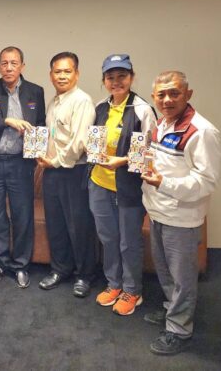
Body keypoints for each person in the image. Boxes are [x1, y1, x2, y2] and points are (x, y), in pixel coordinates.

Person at [142, 71, 221, 355]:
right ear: (154, 97)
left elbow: (206, 182)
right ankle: (171, 310)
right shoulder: (162, 124)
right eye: (161, 94)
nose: (167, 100)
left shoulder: (201, 131)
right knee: (165, 270)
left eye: (174, 93)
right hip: (158, 212)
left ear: (188, 94)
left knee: (183, 277)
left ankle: (179, 329)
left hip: (182, 218)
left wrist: (163, 183)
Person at [86, 54, 156, 315]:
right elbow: (93, 143)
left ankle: (132, 290)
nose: (116, 82)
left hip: (128, 187)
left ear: (132, 77)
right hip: (99, 184)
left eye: (122, 76)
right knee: (108, 237)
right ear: (104, 80)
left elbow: (148, 153)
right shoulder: (100, 108)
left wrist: (123, 161)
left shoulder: (141, 110)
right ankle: (114, 283)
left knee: (129, 241)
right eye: (110, 77)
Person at [0, 46, 45, 288]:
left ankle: (21, 265)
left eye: (13, 63)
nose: (8, 68)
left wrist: (36, 147)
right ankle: (0, 263)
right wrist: (5, 121)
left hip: (20, 162)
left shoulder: (35, 91)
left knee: (22, 215)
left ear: (22, 66)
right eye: (4, 63)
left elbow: (41, 124)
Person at [36, 52, 97, 298]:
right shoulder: (54, 102)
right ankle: (60, 269)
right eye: (57, 71)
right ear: (51, 75)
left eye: (67, 71)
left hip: (74, 171)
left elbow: (79, 142)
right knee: (56, 224)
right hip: (51, 171)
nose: (62, 76)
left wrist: (54, 161)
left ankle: (84, 275)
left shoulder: (82, 101)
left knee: (79, 225)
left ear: (77, 74)